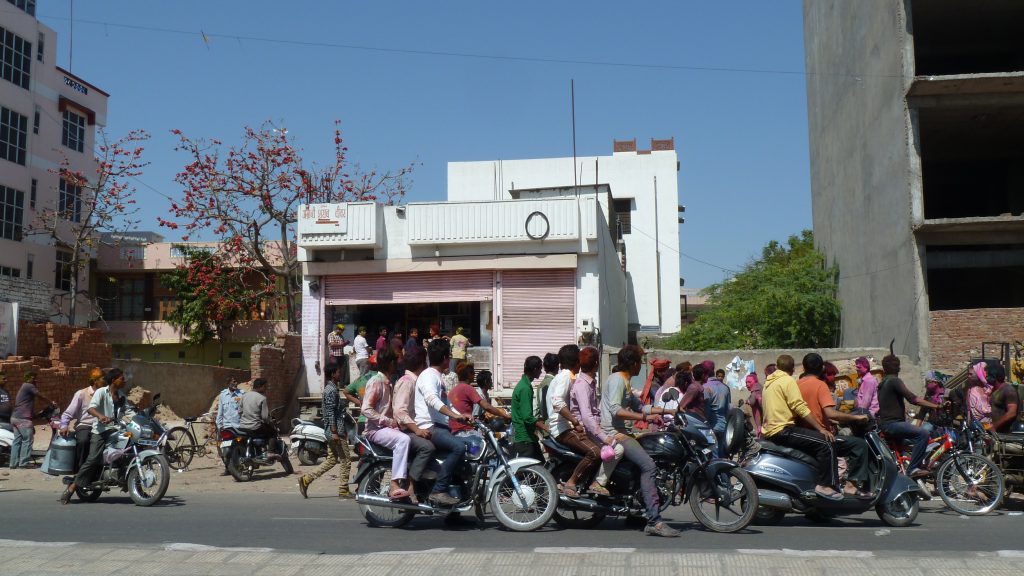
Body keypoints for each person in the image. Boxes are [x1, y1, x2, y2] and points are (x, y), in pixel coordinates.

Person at [600, 345, 679, 537]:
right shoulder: (618, 380)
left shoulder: (624, 381)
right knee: (649, 466)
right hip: (615, 433)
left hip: (624, 431)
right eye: (640, 362)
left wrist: (668, 411)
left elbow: (641, 406)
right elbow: (616, 410)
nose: (641, 367)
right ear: (633, 363)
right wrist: (644, 419)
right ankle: (655, 521)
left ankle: (634, 512)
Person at [762, 354, 844, 501]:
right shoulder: (788, 381)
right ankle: (826, 485)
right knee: (826, 442)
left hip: (771, 430)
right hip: (783, 430)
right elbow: (800, 407)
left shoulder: (769, 383)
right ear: (793, 369)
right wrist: (821, 429)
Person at [796, 353, 871, 497]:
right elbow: (830, 413)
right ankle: (851, 485)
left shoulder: (797, 385)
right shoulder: (820, 385)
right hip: (820, 435)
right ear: (821, 369)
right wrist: (855, 418)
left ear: (804, 368)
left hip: (803, 434)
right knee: (859, 445)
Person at [414, 339, 472, 506]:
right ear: (446, 358)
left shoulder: (437, 377)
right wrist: (454, 415)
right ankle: (439, 490)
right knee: (459, 447)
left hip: (441, 427)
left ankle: (456, 508)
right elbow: (432, 400)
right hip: (430, 427)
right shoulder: (428, 376)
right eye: (450, 356)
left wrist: (464, 414)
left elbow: (446, 403)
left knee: (465, 455)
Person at [60, 369, 127, 504]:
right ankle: (73, 485)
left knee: (128, 446)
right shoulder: (91, 393)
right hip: (95, 427)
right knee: (90, 451)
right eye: (122, 378)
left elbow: (128, 410)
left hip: (113, 428)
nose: (125, 381)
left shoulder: (121, 395)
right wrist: (64, 425)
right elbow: (88, 409)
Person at [546, 344, 602, 498]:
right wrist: (575, 422)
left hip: (564, 427)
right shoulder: (565, 377)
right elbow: (557, 403)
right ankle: (571, 482)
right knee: (595, 452)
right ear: (577, 362)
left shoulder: (565, 377)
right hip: (563, 429)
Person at [876, 355, 942, 479]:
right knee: (922, 434)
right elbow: (913, 399)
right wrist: (936, 407)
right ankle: (913, 469)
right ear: (899, 368)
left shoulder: (883, 383)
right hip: (893, 425)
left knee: (911, 445)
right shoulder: (894, 381)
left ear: (884, 369)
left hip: (887, 424)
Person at [360, 346, 412, 500]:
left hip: (387, 428)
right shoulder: (376, 382)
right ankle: (395, 484)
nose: (397, 365)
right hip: (375, 430)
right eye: (395, 361)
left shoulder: (388, 383)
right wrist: (388, 421)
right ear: (389, 363)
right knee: (404, 440)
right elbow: (366, 409)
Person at [570, 346, 622, 496]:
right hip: (585, 430)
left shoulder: (590, 383)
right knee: (618, 448)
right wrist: (605, 438)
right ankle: (598, 482)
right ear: (596, 364)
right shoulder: (582, 385)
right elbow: (587, 418)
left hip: (594, 428)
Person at [298, 365, 351, 499]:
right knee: (346, 460)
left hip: (332, 430)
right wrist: (334, 431)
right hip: (335, 430)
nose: (340, 373)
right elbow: (330, 413)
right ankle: (343, 489)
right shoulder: (330, 390)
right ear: (333, 374)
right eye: (338, 371)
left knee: (332, 460)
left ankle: (307, 479)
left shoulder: (332, 389)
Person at [391, 346, 437, 495]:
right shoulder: (407, 382)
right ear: (422, 363)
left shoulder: (417, 381)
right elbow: (400, 411)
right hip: (405, 429)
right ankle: (411, 485)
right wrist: (417, 430)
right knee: (427, 447)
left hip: (414, 427)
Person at [59, 367, 104, 471]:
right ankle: (81, 470)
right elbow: (68, 412)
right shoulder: (81, 393)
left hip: (101, 426)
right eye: (102, 379)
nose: (104, 382)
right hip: (85, 425)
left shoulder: (105, 394)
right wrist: (64, 425)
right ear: (95, 381)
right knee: (83, 440)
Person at [10, 371, 58, 469]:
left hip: (15, 418)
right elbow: (40, 396)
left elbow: (25, 405)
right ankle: (24, 463)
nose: (36, 380)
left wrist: (37, 415)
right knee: (27, 440)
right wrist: (51, 402)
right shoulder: (28, 385)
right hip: (23, 420)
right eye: (34, 378)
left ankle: (13, 464)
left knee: (17, 441)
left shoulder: (24, 387)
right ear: (29, 378)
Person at [448, 363, 508, 434]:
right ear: (468, 374)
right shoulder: (468, 388)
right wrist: (505, 415)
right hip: (465, 430)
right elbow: (486, 407)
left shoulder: (454, 389)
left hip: (453, 429)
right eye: (473, 373)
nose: (474, 375)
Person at [511, 356, 548, 460]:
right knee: (532, 471)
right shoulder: (525, 388)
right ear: (535, 369)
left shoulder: (525, 385)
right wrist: (545, 427)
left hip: (529, 437)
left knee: (541, 469)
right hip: (525, 439)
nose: (541, 372)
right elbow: (527, 417)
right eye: (540, 369)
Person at [703, 363, 732, 455]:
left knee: (712, 452)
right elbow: (728, 408)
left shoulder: (705, 387)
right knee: (722, 451)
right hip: (723, 425)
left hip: (710, 426)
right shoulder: (725, 388)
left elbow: (706, 408)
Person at [239, 378, 276, 446]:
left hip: (242, 426)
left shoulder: (244, 396)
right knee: (273, 433)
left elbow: (239, 412)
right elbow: (265, 417)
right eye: (265, 387)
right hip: (255, 427)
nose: (266, 389)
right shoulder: (262, 398)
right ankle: (270, 452)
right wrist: (270, 421)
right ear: (261, 387)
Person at [989, 365, 1019, 433]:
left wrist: (995, 426)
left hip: (1005, 433)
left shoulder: (1009, 391)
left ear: (995, 377)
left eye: (989, 376)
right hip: (994, 432)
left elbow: (1012, 413)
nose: (987, 378)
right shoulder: (994, 390)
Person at [534, 353, 559, 420]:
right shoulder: (555, 383)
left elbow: (536, 408)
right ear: (557, 367)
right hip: (554, 423)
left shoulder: (540, 385)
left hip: (544, 423)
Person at [744, 372, 763, 438]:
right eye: (746, 382)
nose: (747, 384)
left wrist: (748, 401)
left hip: (761, 421)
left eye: (749, 382)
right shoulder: (759, 387)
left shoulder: (756, 389)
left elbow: (752, 401)